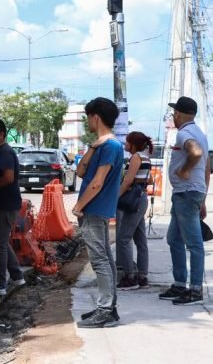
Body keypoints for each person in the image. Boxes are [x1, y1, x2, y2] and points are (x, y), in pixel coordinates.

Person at [71, 97, 125, 328]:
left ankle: (105, 310)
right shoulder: (104, 146)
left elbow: (96, 182)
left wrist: (79, 206)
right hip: (98, 210)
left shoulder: (111, 146)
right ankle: (108, 308)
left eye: (88, 117)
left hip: (94, 210)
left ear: (96, 117)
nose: (87, 122)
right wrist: (94, 146)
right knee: (105, 259)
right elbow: (81, 171)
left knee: (100, 260)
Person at [158, 96, 210, 305]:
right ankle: (180, 284)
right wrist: (203, 198)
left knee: (194, 243)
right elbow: (206, 169)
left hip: (187, 193)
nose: (173, 117)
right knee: (174, 239)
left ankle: (195, 289)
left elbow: (195, 153)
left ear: (178, 114)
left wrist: (184, 169)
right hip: (189, 193)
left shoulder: (184, 133)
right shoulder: (201, 134)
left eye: (173, 114)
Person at [0, 117, 25, 296]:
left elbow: (8, 178)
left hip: (5, 205)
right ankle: (17, 275)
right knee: (0, 241)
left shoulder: (5, 152)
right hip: (4, 204)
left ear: (1, 134)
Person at [115, 131, 153, 291]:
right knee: (140, 240)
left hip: (134, 200)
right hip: (141, 198)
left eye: (127, 142)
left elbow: (128, 180)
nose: (125, 145)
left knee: (123, 239)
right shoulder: (146, 157)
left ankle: (130, 277)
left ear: (133, 144)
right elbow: (149, 179)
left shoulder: (136, 157)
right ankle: (142, 276)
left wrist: (115, 197)